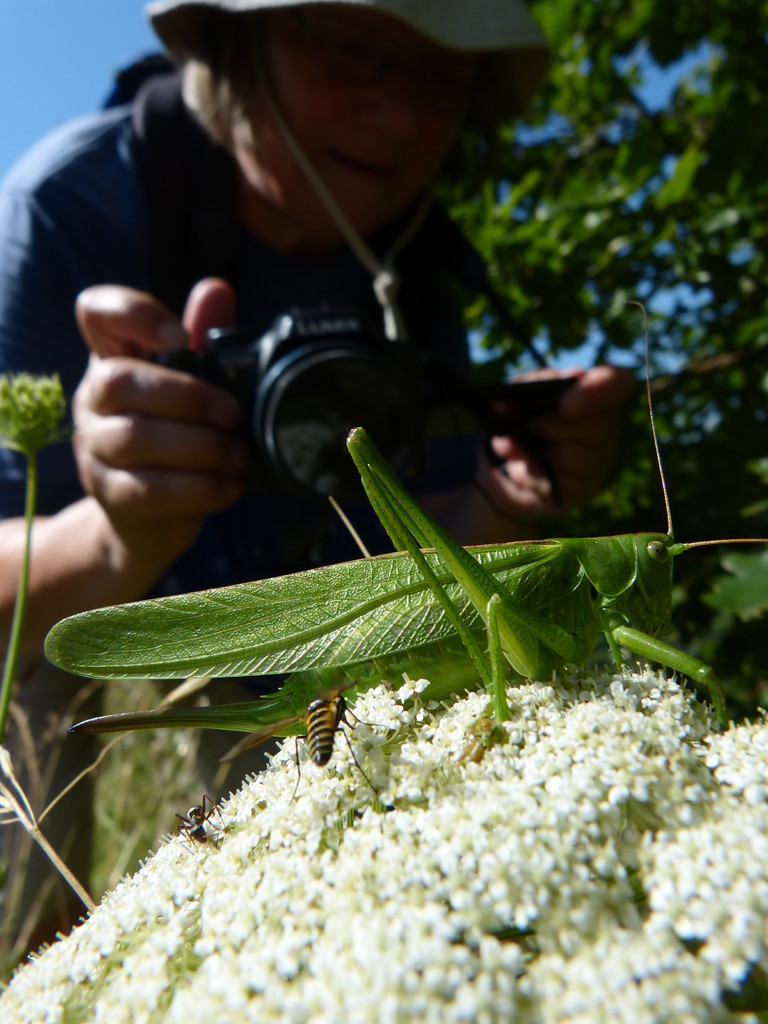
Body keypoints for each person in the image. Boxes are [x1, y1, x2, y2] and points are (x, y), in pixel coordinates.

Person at [0, 0, 633, 943]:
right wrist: (116, 529)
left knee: (315, 888)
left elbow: (413, 589)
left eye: (442, 79)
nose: (402, 116)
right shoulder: (76, 207)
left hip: (313, 638)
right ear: (238, 42)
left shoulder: (414, 276)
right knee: (25, 732)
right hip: (84, 599)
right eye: (351, 48)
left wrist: (504, 494)